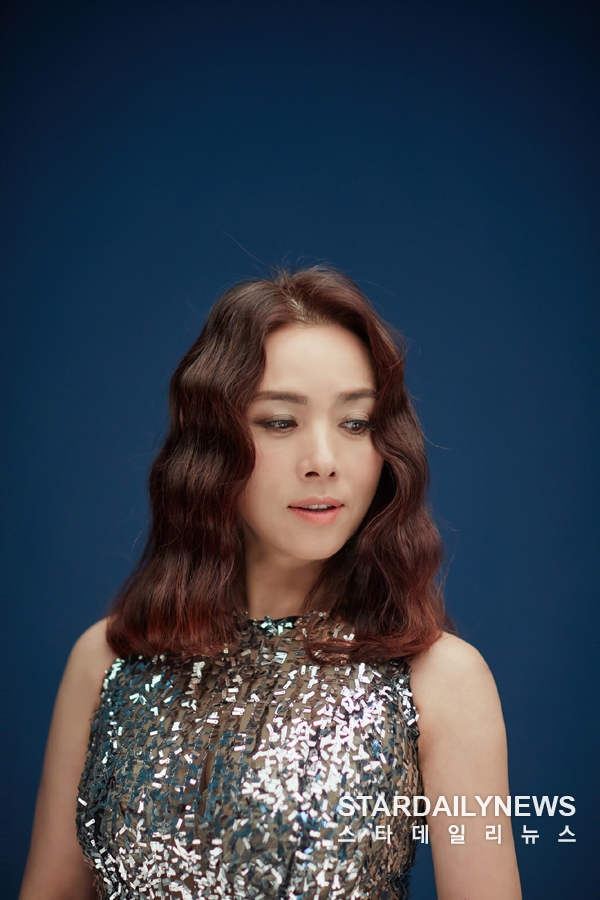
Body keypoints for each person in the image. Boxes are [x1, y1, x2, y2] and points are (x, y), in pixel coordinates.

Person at [20, 266, 522, 900]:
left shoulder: (439, 681)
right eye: (280, 422)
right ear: (212, 445)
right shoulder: (109, 662)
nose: (323, 462)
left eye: (356, 423)